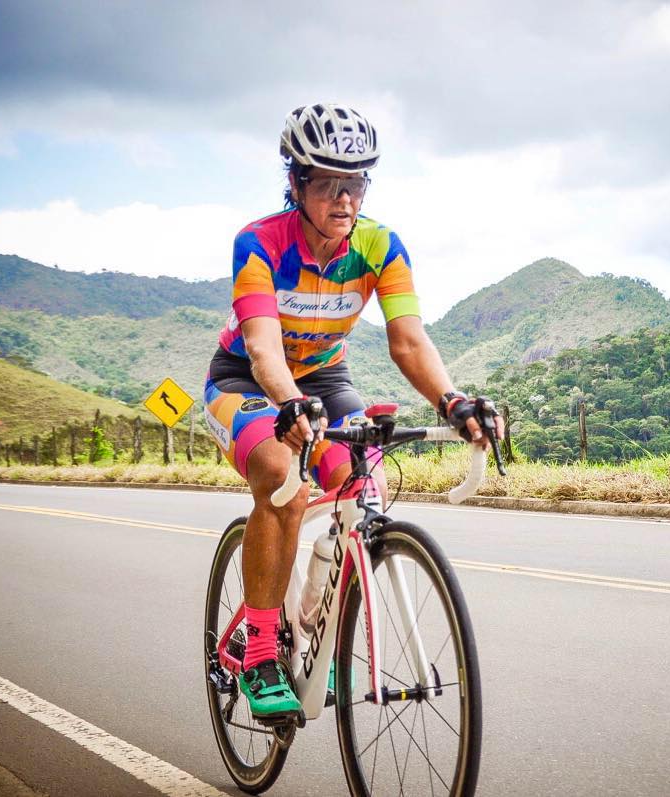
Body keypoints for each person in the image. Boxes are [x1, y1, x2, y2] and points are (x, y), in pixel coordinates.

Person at [204, 103, 503, 722]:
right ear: (296, 185)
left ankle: (317, 629)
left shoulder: (379, 245)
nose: (343, 198)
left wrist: (452, 400)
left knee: (366, 481)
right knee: (280, 481)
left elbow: (408, 340)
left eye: (356, 182)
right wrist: (287, 405)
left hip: (325, 377)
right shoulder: (260, 241)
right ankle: (260, 649)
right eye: (327, 183)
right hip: (247, 378)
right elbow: (261, 345)